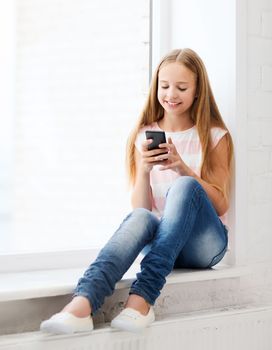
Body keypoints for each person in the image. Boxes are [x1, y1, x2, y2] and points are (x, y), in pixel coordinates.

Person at [40, 48, 233, 334]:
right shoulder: (143, 134)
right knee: (141, 218)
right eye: (164, 86)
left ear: (197, 91)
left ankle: (142, 298)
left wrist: (183, 169)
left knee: (185, 186)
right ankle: (82, 304)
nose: (171, 94)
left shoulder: (215, 136)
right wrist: (143, 170)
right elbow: (141, 210)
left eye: (181, 87)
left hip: (203, 246)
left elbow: (220, 205)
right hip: (162, 247)